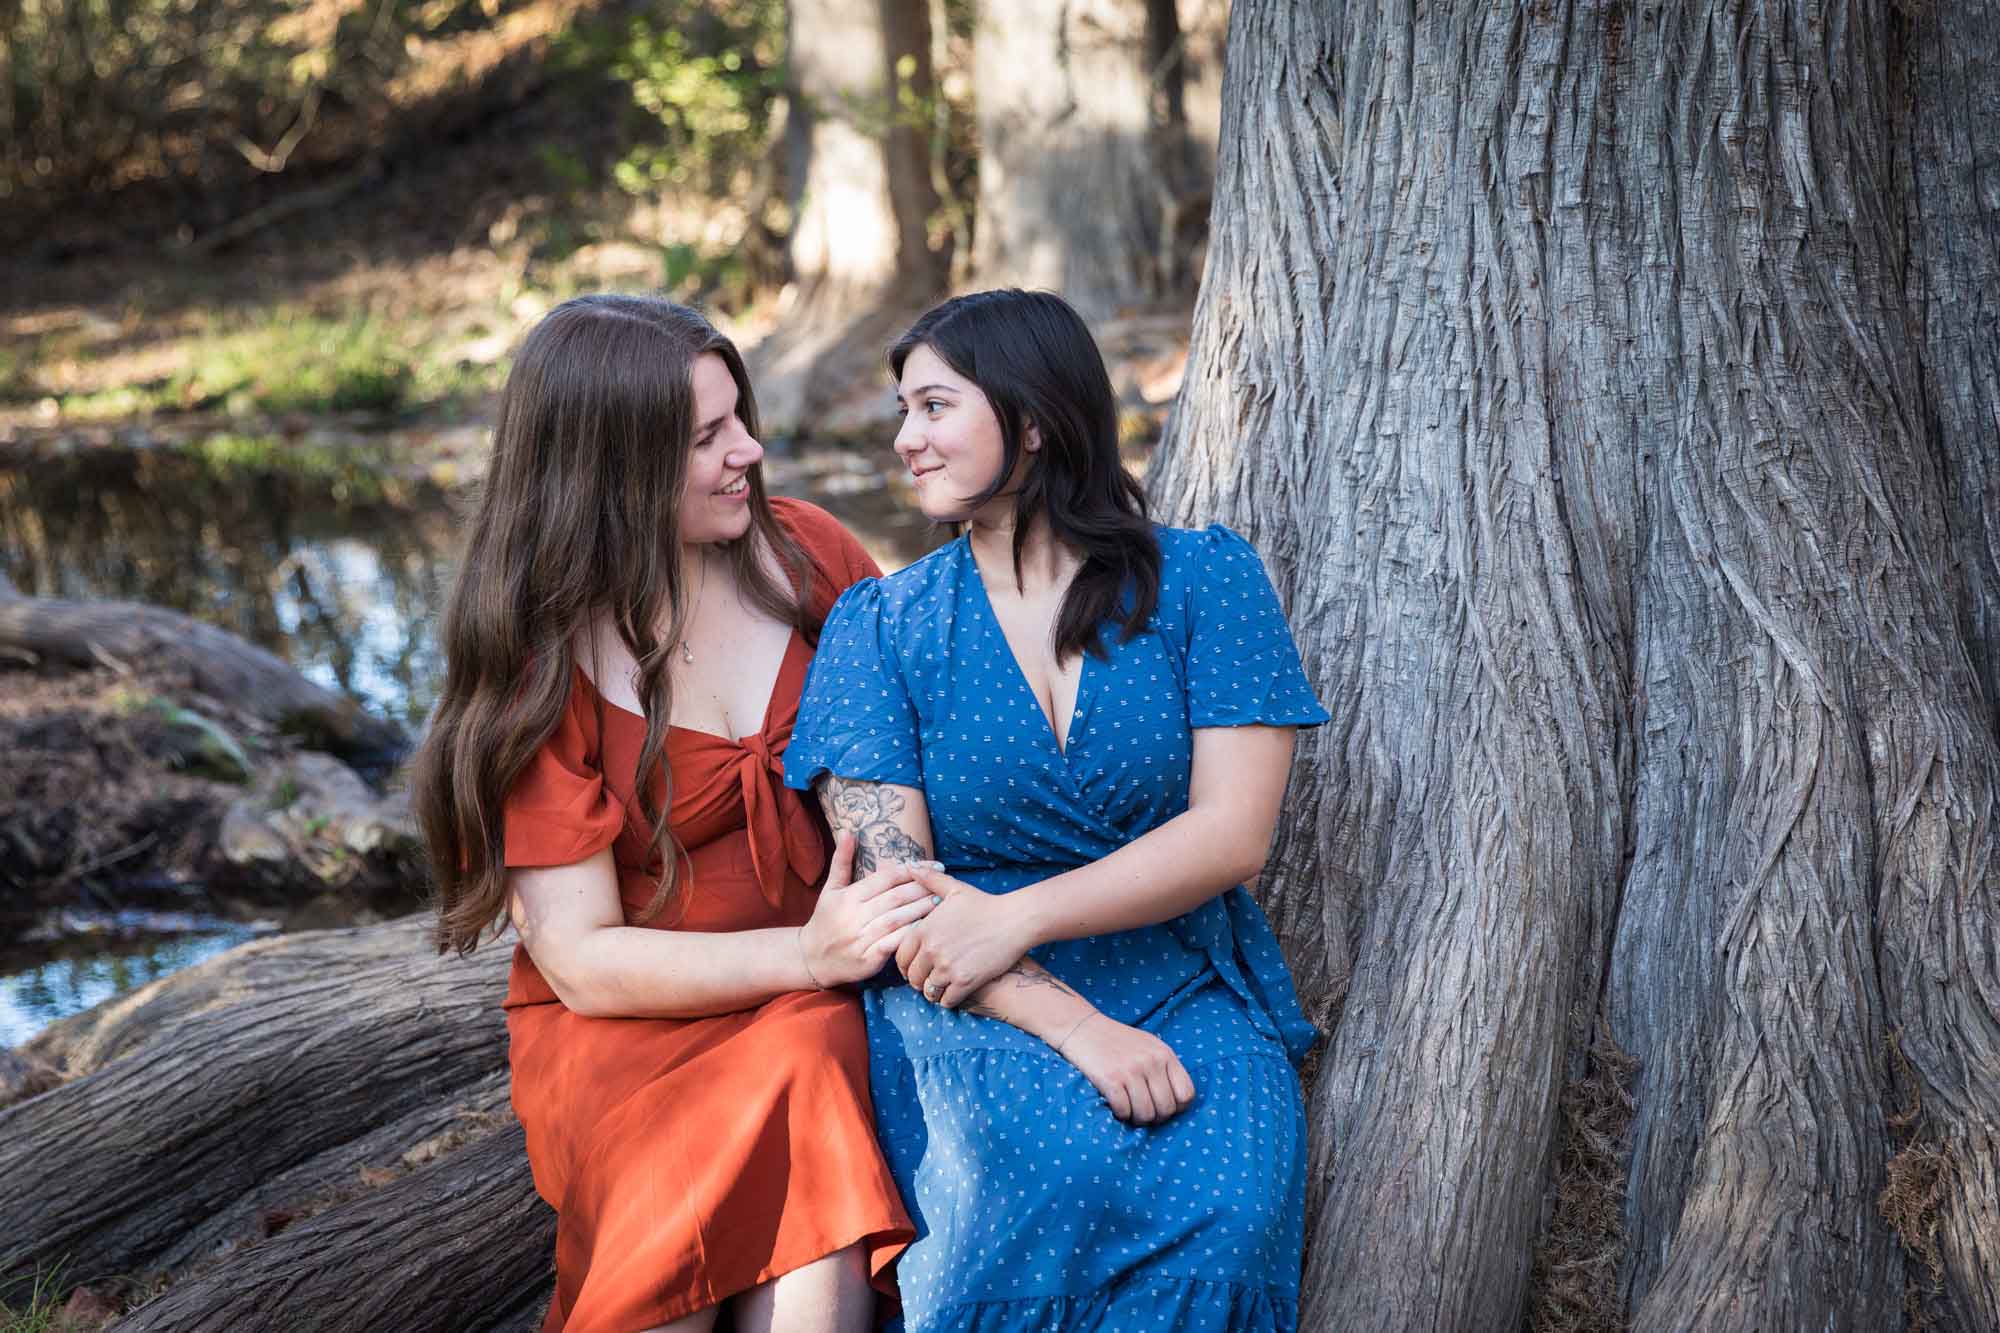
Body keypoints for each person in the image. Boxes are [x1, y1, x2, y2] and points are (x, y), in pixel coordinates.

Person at [783, 288, 1327, 1331]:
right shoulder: (879, 625)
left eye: (934, 408)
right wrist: (1071, 1020)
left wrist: (1018, 912)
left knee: (1228, 1202)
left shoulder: (1206, 582)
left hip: (1181, 983)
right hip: (972, 1000)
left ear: (1030, 421)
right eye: (903, 412)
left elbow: (1230, 833)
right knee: (1028, 1193)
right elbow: (891, 883)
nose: (905, 440)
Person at [410, 294, 929, 1333]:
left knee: (811, 1051)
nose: (750, 449)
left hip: (825, 992)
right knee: (797, 1059)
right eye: (707, 437)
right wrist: (809, 955)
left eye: (738, 417)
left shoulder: (810, 555)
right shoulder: (539, 659)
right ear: (611, 466)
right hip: (631, 1019)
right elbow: (583, 962)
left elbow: (917, 751)